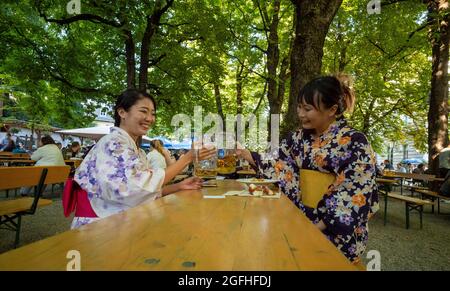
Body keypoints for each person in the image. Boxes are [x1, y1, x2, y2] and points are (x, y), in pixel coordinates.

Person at [237, 75, 378, 263]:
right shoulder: (296, 139)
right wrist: (247, 154)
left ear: (332, 110)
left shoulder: (354, 141)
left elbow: (354, 190)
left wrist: (314, 227)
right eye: (299, 107)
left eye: (308, 109)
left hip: (335, 233)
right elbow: (279, 165)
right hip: (299, 220)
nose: (301, 114)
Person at [72, 89, 215, 229]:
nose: (150, 118)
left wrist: (178, 186)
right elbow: (137, 187)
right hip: (98, 226)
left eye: (153, 114)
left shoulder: (137, 150)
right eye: (143, 111)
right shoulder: (113, 143)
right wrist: (188, 158)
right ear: (122, 112)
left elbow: (140, 192)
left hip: (120, 220)